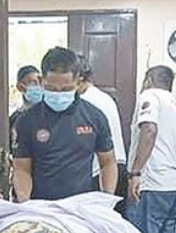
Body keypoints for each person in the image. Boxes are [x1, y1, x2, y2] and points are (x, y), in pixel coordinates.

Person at [13, 47, 117, 202]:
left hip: (82, 206)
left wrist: (107, 199)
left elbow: (108, 162)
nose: (59, 94)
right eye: (52, 89)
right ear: (42, 81)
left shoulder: (95, 116)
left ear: (78, 82)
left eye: (66, 89)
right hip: (41, 206)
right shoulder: (27, 120)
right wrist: (24, 201)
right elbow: (22, 168)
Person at [125, 65, 176, 233]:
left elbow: (149, 130)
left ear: (149, 81)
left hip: (152, 185)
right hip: (174, 187)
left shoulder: (149, 96)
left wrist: (135, 173)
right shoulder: (174, 104)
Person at [76, 55, 127, 196]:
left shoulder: (85, 103)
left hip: (101, 171)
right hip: (118, 166)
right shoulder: (105, 97)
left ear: (79, 79)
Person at [9, 65, 43, 136]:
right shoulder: (14, 120)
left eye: (40, 83)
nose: (38, 86)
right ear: (20, 87)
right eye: (33, 83)